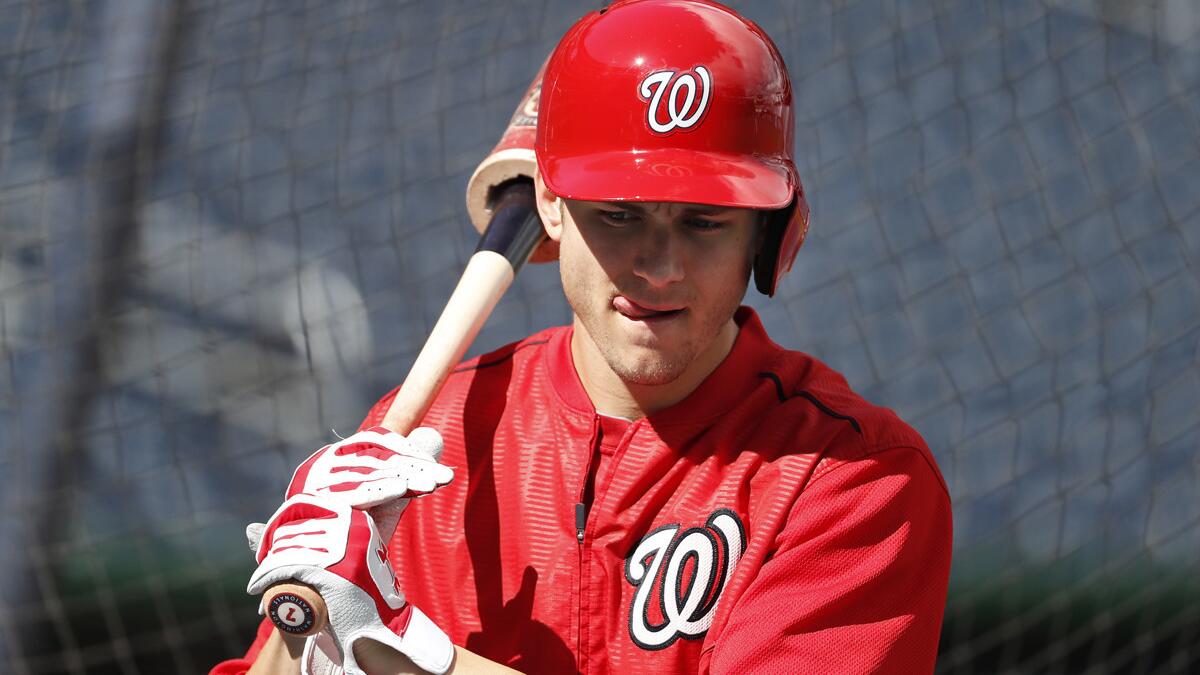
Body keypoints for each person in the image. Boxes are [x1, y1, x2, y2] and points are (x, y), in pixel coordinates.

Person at [213, 1, 952, 673]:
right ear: (549, 205)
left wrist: (411, 654)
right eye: (620, 214)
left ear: (767, 233)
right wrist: (308, 615)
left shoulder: (853, 479)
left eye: (703, 222)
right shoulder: (431, 441)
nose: (660, 268)